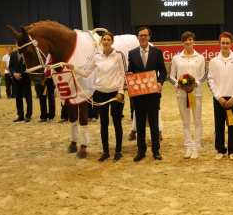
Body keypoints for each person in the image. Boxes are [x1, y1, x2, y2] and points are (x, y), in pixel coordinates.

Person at [68, 32, 126, 162]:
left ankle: (118, 151)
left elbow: (123, 74)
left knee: (117, 122)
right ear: (101, 42)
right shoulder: (97, 57)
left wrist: (121, 91)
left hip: (115, 94)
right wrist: (73, 68)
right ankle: (105, 151)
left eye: (108, 39)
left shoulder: (118, 55)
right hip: (100, 93)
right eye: (104, 39)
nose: (106, 41)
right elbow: (86, 72)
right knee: (103, 123)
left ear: (112, 41)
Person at [128, 26, 167, 162]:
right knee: (139, 124)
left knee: (154, 123)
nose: (143, 37)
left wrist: (160, 83)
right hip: (138, 95)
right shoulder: (131, 53)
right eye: (140, 35)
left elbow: (163, 72)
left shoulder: (157, 52)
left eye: (145, 35)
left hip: (153, 94)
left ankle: (156, 151)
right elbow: (130, 71)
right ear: (138, 37)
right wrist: (129, 76)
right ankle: (141, 151)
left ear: (149, 37)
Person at [169, 31, 206, 159]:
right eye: (185, 40)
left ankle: (196, 147)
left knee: (197, 121)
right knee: (185, 122)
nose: (188, 42)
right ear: (182, 42)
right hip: (182, 94)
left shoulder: (200, 58)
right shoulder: (176, 58)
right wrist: (178, 84)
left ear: (193, 41)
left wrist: (195, 83)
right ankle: (188, 147)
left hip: (196, 94)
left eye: (190, 39)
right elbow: (171, 76)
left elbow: (203, 76)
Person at [208, 32, 233, 160]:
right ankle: (220, 149)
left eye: (227, 43)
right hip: (219, 99)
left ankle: (232, 150)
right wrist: (218, 97)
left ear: (231, 44)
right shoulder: (213, 61)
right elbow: (211, 80)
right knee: (219, 125)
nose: (225, 45)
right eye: (223, 42)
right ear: (219, 43)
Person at [9, 50, 32, 122]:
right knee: (18, 97)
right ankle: (20, 115)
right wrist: (14, 73)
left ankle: (28, 115)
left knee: (28, 98)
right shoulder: (13, 54)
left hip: (25, 78)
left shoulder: (27, 53)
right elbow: (11, 66)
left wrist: (20, 74)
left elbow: (29, 66)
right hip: (16, 79)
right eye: (17, 44)